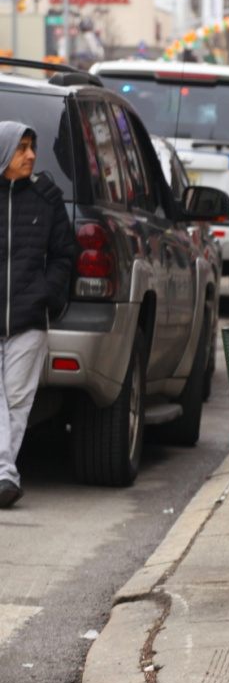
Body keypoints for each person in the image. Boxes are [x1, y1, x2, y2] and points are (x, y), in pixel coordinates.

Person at [0, 123, 74, 509]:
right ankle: (5, 474)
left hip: (29, 320)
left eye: (32, 148)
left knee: (17, 401)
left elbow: (65, 255)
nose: (30, 156)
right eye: (21, 148)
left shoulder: (47, 199)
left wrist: (48, 293)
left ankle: (3, 475)